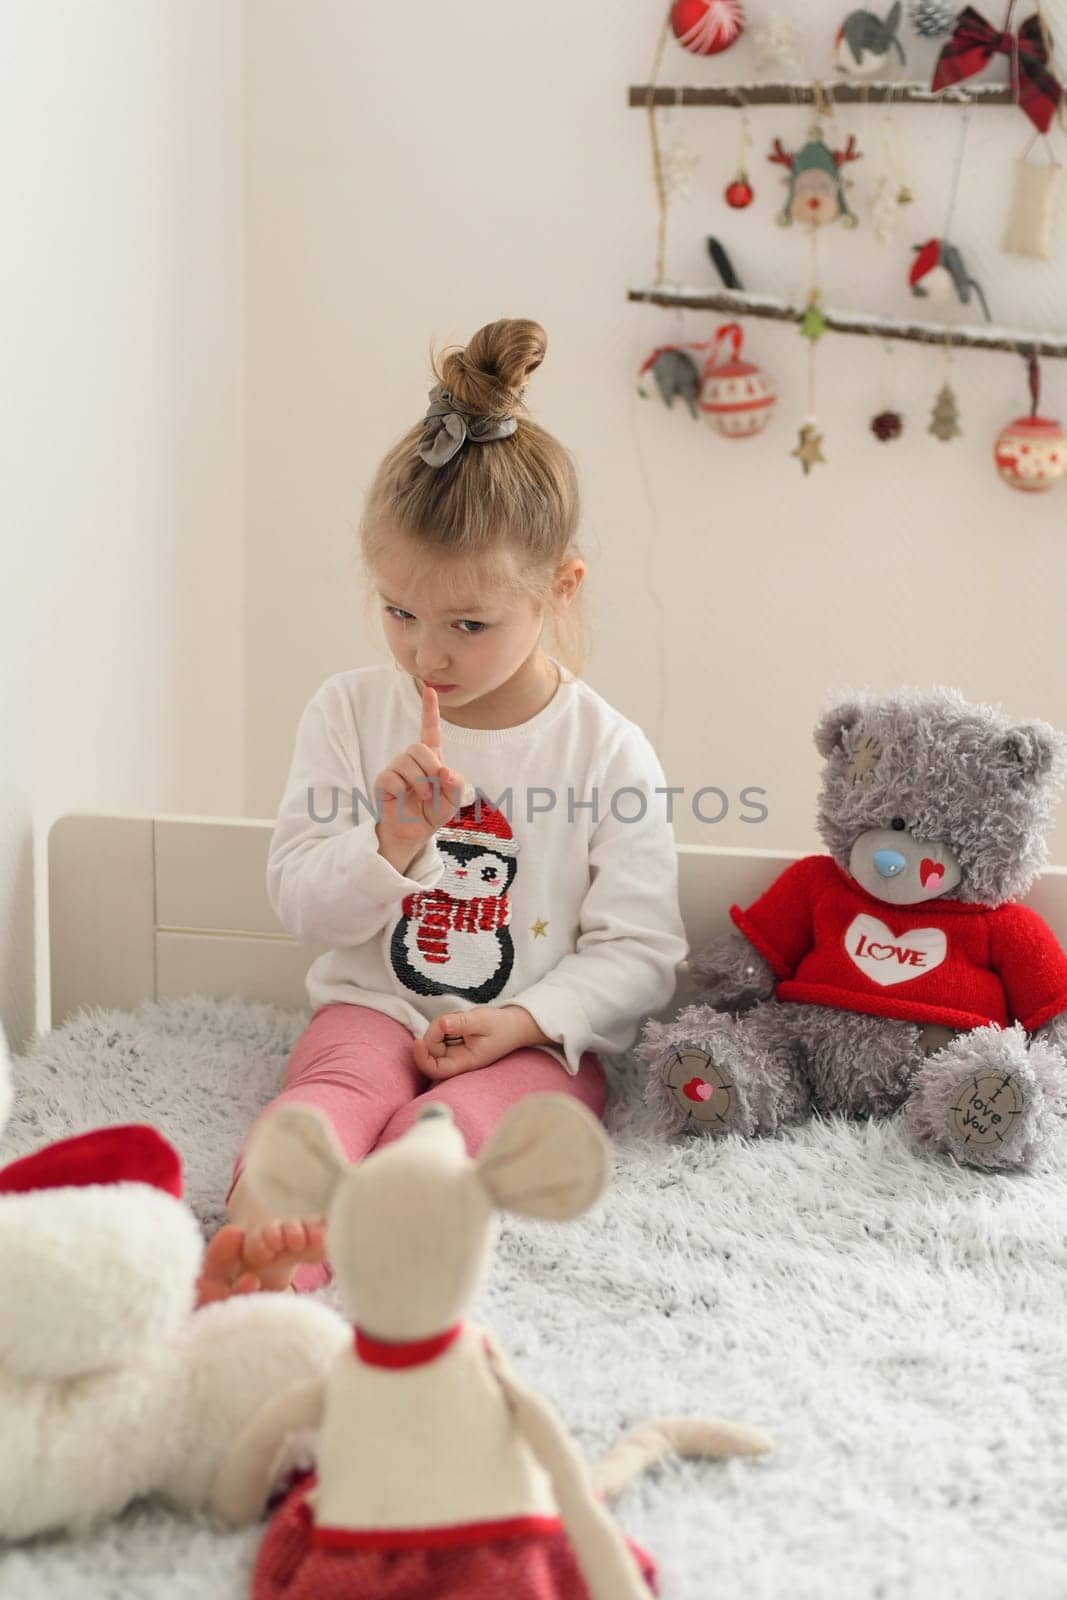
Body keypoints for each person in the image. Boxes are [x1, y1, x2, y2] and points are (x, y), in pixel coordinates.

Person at [196, 317, 687, 1301]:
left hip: (529, 1045)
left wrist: (525, 1019)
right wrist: (388, 846)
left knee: (460, 1129)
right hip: (375, 1007)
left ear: (558, 590)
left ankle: (401, 1212)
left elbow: (640, 954)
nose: (426, 655)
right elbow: (303, 904)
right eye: (398, 611)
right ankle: (266, 1245)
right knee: (331, 1092)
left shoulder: (604, 752)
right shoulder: (349, 712)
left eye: (467, 623)